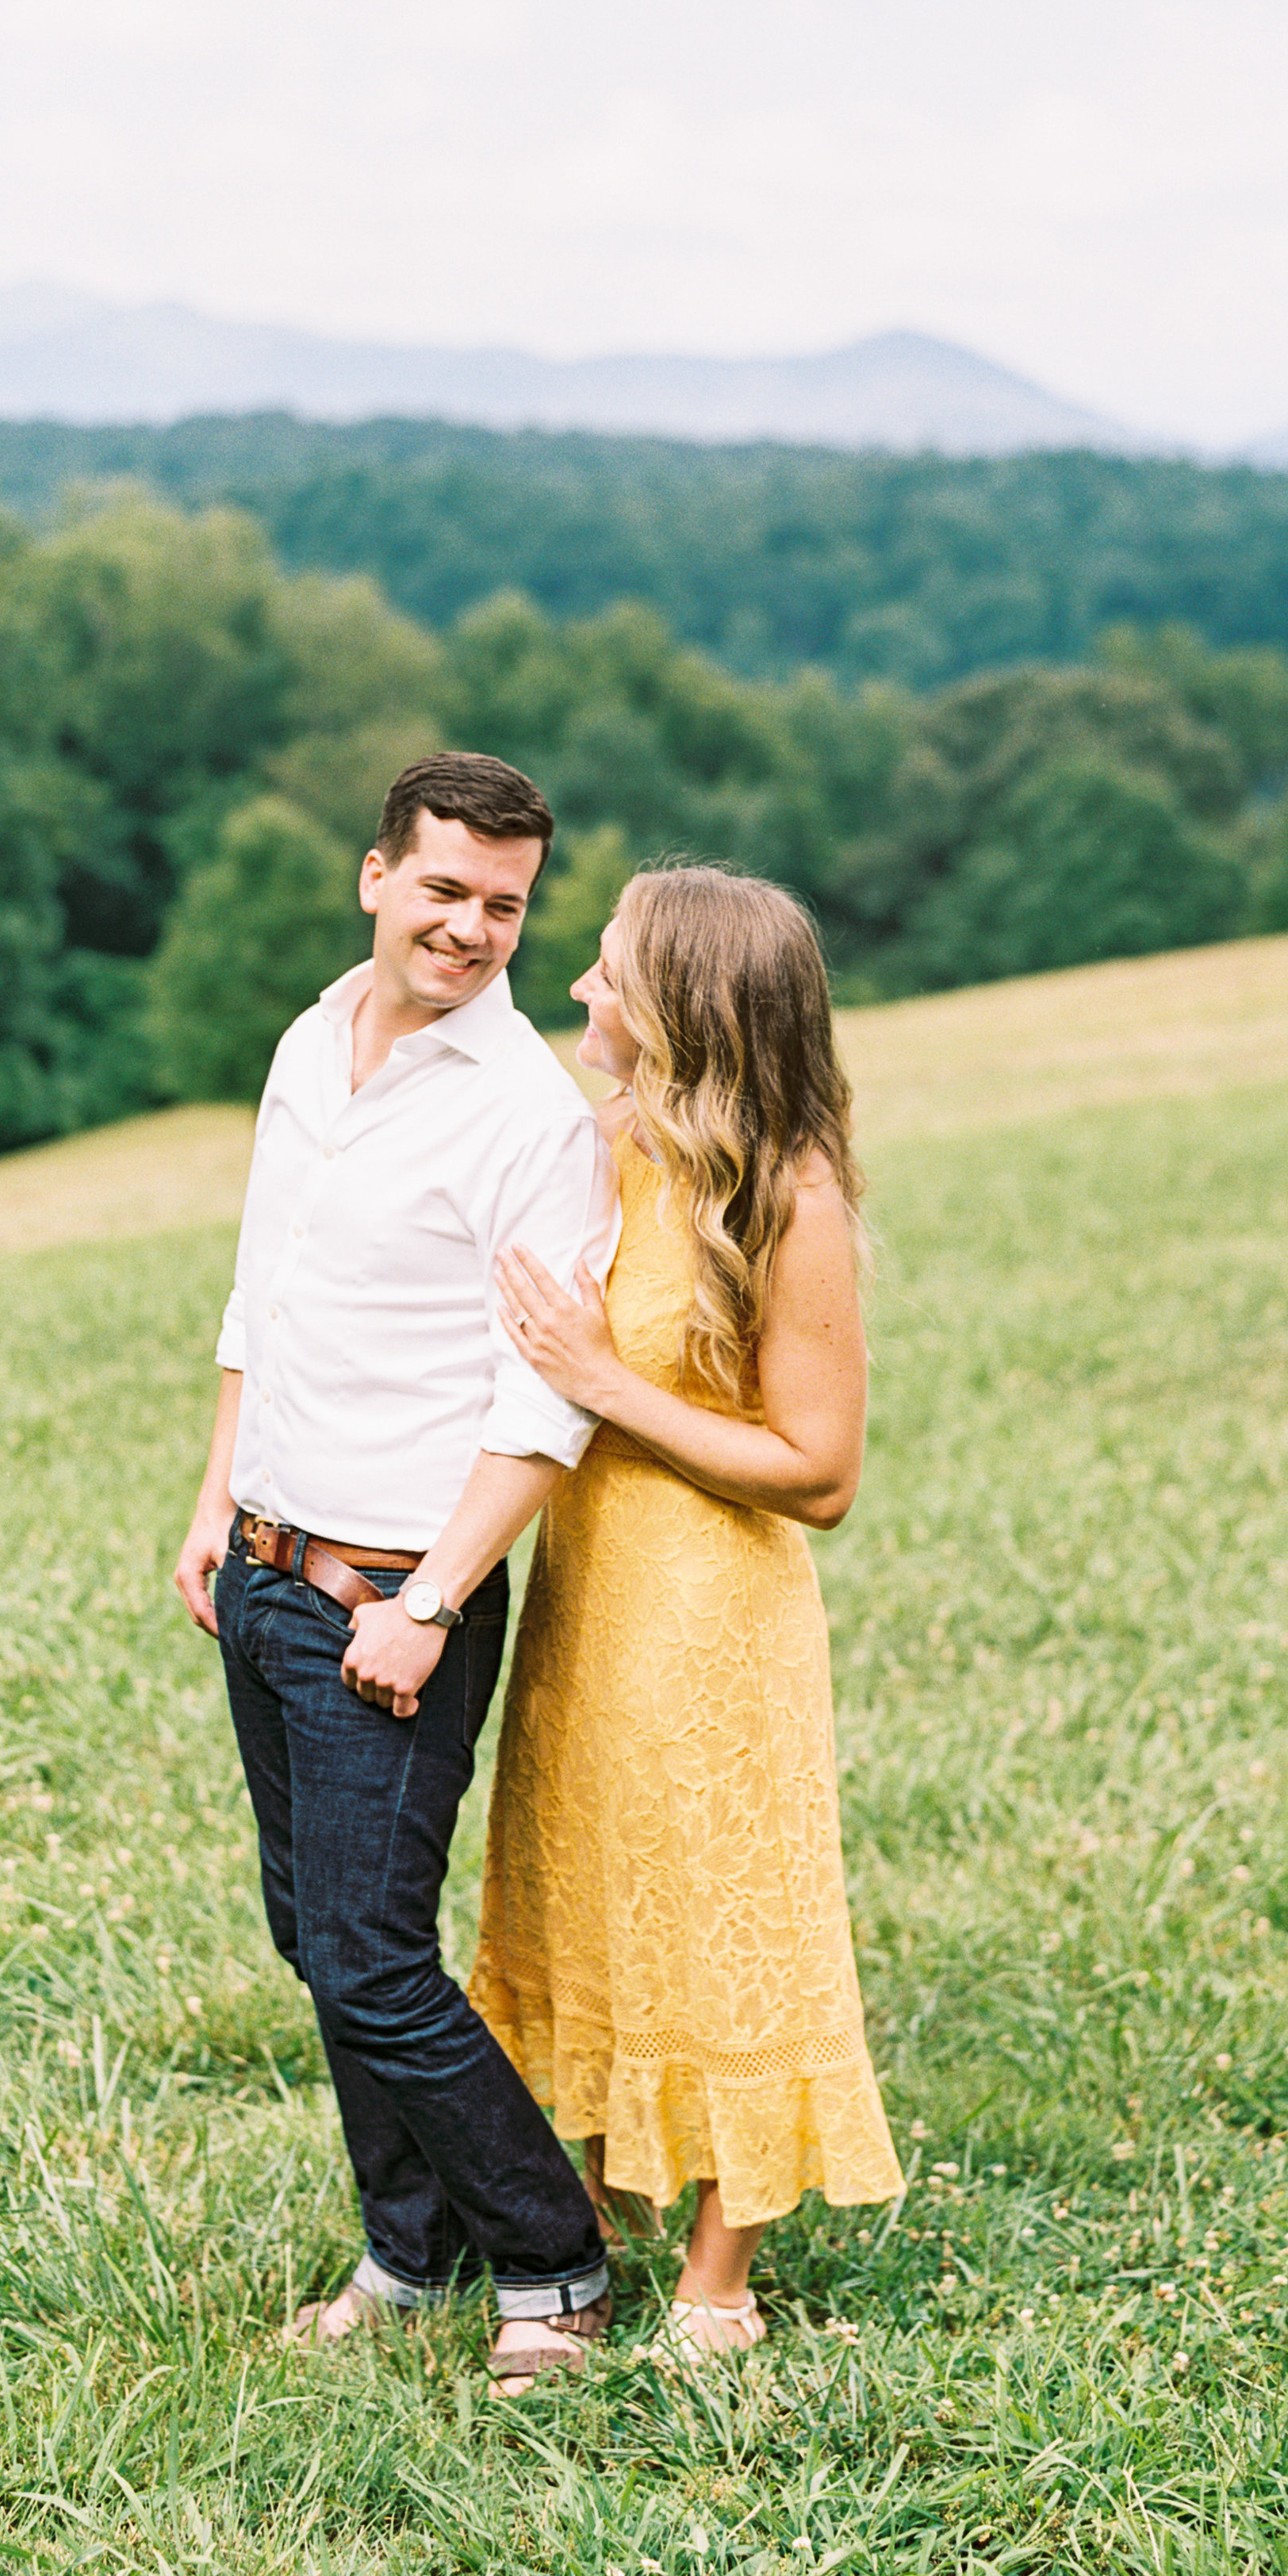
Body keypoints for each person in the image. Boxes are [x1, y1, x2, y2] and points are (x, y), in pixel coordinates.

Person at [172, 751, 623, 2393]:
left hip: (391, 1592)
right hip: (267, 1565)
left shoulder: (526, 1115)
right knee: (317, 1932)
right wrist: (219, 1497)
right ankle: (404, 2253)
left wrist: (429, 1601)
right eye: (443, 889)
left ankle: (554, 2262)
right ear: (376, 876)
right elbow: (260, 1292)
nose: (472, 926)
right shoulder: (309, 1043)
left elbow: (542, 1393)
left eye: (503, 904)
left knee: (372, 1949)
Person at [472, 864, 905, 2362]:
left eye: (607, 968)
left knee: (729, 1919)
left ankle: (721, 2278)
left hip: (714, 1615)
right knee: (587, 1885)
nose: (582, 990)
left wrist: (607, 1384)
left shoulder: (789, 1195)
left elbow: (822, 1472)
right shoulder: (607, 1147)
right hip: (585, 1594)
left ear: (689, 1005)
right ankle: (604, 2195)